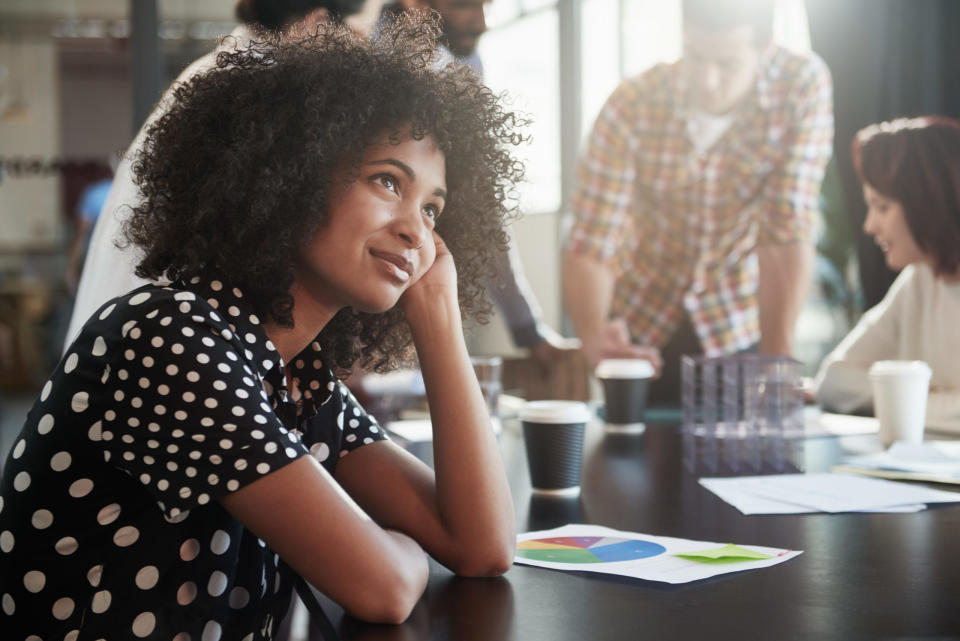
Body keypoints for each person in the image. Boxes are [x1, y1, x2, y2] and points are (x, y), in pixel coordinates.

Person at [0, 16, 518, 639]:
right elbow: (383, 587)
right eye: (388, 181)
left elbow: (481, 546)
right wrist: (401, 553)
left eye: (433, 208)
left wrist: (437, 314)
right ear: (293, 175)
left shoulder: (294, 371)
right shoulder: (171, 339)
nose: (418, 231)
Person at [63, 0, 379, 350]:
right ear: (315, 21)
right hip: (180, 336)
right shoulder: (257, 91)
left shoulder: (220, 72)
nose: (358, 41)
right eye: (353, 28)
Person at [562, 0, 833, 403]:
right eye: (696, 58)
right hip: (644, 323)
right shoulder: (631, 104)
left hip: (737, 320)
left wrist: (776, 362)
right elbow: (592, 237)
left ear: (765, 49)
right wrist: (594, 335)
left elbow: (786, 227)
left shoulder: (800, 85)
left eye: (726, 64)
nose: (707, 80)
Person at [384, 0, 578, 369]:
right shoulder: (363, 62)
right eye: (464, 5)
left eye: (486, 6)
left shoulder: (465, 64)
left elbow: (482, 206)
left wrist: (527, 331)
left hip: (424, 292)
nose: (483, 22)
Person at [815, 117, 960, 432]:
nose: (869, 226)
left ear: (927, 203)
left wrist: (907, 400)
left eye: (881, 207)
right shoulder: (920, 281)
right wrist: (915, 396)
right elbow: (835, 381)